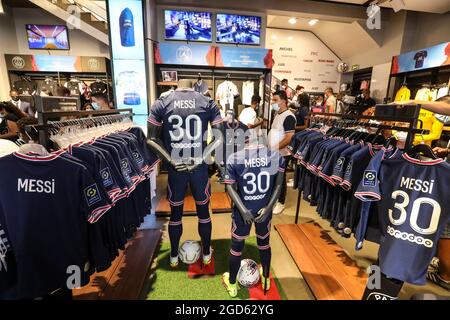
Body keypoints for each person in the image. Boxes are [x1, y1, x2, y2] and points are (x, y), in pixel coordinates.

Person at [268, 90, 296, 215]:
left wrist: (275, 148)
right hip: (274, 152)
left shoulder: (289, 116)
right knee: (274, 177)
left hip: (282, 154)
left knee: (280, 178)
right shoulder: (278, 114)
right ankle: (274, 199)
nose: (273, 102)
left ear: (283, 101)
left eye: (275, 100)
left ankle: (281, 202)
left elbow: (289, 137)